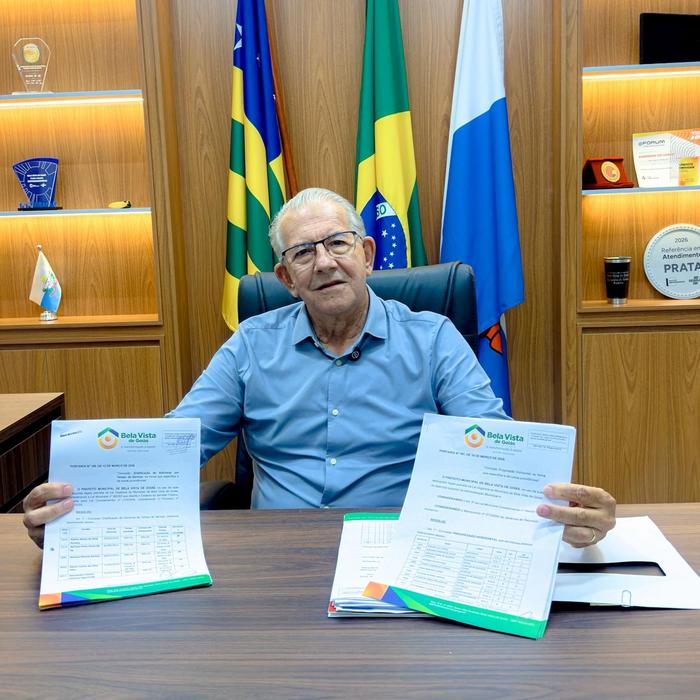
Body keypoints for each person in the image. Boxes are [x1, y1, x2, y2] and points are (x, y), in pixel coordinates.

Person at [23, 188, 616, 549]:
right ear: (285, 278)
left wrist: (566, 516)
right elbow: (175, 444)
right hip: (274, 557)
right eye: (303, 252)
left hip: (399, 546)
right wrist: (77, 509)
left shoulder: (433, 337)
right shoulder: (252, 345)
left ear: (367, 253)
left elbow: (494, 448)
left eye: (337, 243)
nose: (324, 262)